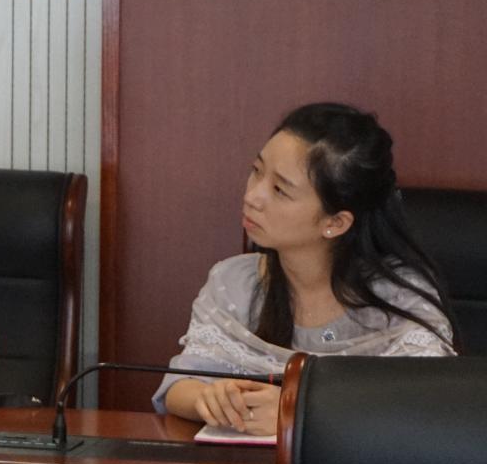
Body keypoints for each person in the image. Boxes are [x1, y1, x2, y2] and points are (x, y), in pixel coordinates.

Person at [156, 102, 457, 434]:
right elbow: (177, 388)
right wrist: (212, 398)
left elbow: (428, 406)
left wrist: (297, 413)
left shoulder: (398, 297)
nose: (253, 196)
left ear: (335, 222)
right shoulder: (233, 282)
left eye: (280, 190)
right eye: (256, 170)